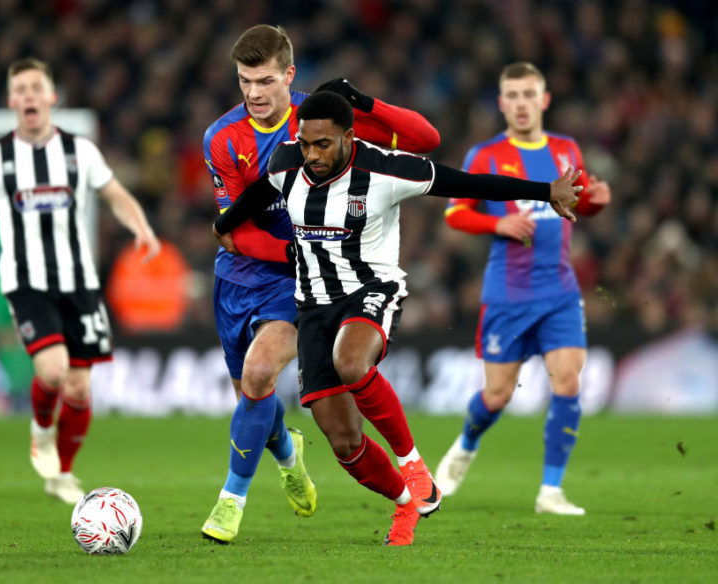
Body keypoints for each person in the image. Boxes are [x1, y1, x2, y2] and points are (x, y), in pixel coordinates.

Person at [213, 90, 583, 545]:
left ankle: (413, 465)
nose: (312, 155)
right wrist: (224, 222)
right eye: (306, 144)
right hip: (312, 307)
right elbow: (256, 195)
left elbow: (466, 182)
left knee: (352, 362)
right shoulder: (287, 163)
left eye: (323, 144)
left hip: (372, 290)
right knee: (344, 443)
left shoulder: (387, 168)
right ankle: (406, 505)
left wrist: (545, 192)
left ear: (348, 137)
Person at [201, 24, 442, 544]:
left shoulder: (323, 120)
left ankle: (229, 502)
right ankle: (288, 454)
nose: (253, 93)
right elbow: (232, 233)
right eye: (244, 81)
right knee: (252, 392)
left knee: (260, 372)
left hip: (305, 282)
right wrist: (286, 247)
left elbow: (425, 142)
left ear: (289, 75)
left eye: (264, 81)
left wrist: (362, 99)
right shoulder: (222, 138)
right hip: (240, 279)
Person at [0, 58, 160, 504]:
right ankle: (40, 428)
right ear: (12, 101)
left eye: (36, 88)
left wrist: (140, 227)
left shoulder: (80, 152)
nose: (28, 95)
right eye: (20, 89)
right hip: (25, 282)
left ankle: (62, 473)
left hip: (78, 281)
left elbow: (115, 195)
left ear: (51, 97)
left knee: (80, 388)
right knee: (52, 369)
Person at [435, 62, 611, 515]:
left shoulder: (566, 148)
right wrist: (499, 221)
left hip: (559, 291)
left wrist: (594, 201)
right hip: (508, 293)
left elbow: (578, 202)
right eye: (511, 95)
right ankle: (466, 444)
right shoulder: (485, 155)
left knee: (568, 381)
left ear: (544, 99)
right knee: (496, 396)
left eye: (528, 94)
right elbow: (455, 213)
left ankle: (551, 491)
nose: (520, 103)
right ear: (501, 103)